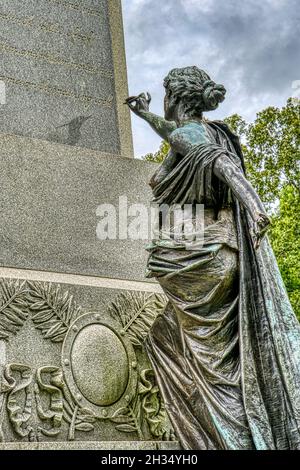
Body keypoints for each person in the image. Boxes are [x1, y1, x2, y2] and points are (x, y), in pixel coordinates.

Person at [126, 66, 300, 450]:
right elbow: (166, 149)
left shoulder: (191, 134)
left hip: (198, 260)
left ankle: (235, 440)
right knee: (170, 341)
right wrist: (144, 115)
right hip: (220, 254)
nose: (163, 102)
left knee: (210, 366)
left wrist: (256, 209)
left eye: (165, 95)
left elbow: (226, 167)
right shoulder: (197, 132)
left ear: (176, 99)